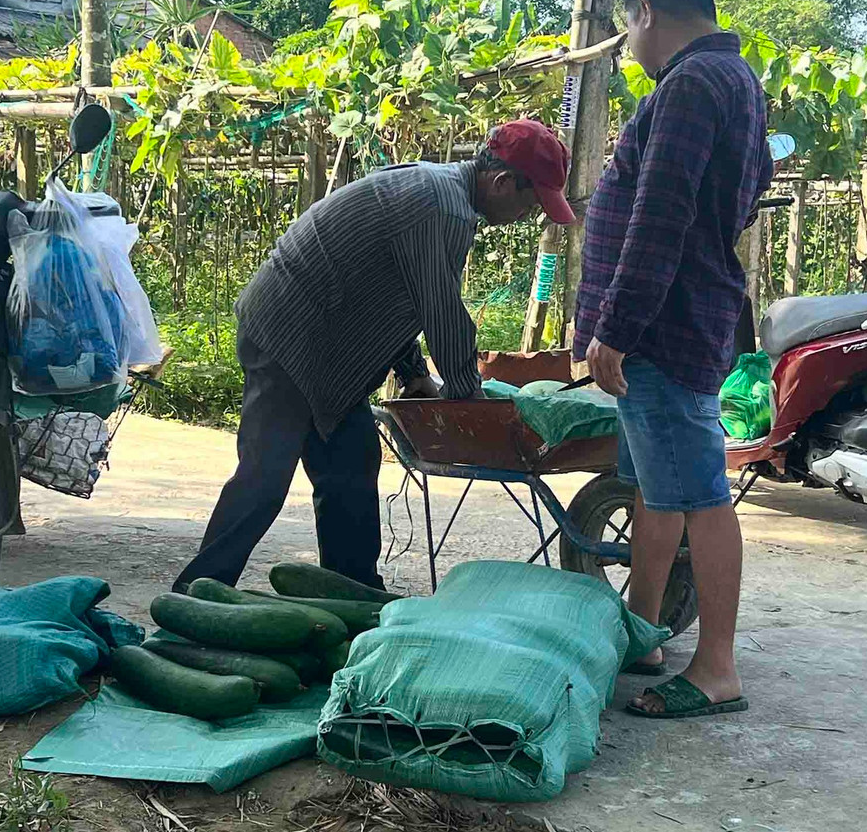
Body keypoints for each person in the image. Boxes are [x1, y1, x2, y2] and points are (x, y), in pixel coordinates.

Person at [174, 120, 578, 593]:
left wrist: (413, 373)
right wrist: (469, 397)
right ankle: (194, 595)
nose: (528, 216)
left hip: (328, 346)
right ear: (503, 182)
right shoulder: (444, 209)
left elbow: (390, 295)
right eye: (532, 204)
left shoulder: (441, 189)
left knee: (350, 467)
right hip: (291, 334)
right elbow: (442, 311)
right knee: (264, 477)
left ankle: (353, 594)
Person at [572, 0, 773, 718]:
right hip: (683, 315)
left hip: (664, 327)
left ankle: (717, 667)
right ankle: (644, 631)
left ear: (647, 11)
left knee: (700, 496)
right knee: (659, 490)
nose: (628, 44)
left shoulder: (690, 85)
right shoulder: (736, 79)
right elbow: (749, 190)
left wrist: (616, 329)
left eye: (627, 27)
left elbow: (660, 216)